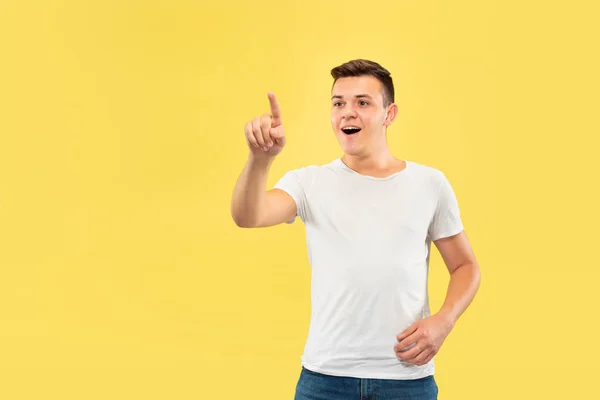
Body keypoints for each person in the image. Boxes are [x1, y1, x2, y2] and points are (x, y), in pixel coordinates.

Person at [231, 59, 481, 400]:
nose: (347, 112)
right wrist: (260, 160)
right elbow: (249, 215)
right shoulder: (309, 182)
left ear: (389, 114)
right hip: (325, 381)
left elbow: (465, 266)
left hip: (407, 380)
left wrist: (444, 321)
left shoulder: (429, 184)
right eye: (338, 103)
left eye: (362, 102)